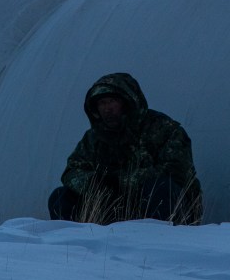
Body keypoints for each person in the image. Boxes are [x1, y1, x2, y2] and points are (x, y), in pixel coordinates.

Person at [48, 72, 203, 225]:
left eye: (112, 101)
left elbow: (176, 171)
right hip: (114, 211)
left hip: (165, 209)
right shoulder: (93, 138)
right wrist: (96, 184)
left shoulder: (163, 129)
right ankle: (76, 239)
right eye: (102, 103)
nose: (107, 109)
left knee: (160, 188)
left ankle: (159, 237)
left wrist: (121, 181)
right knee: (61, 196)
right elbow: (72, 171)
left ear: (127, 102)